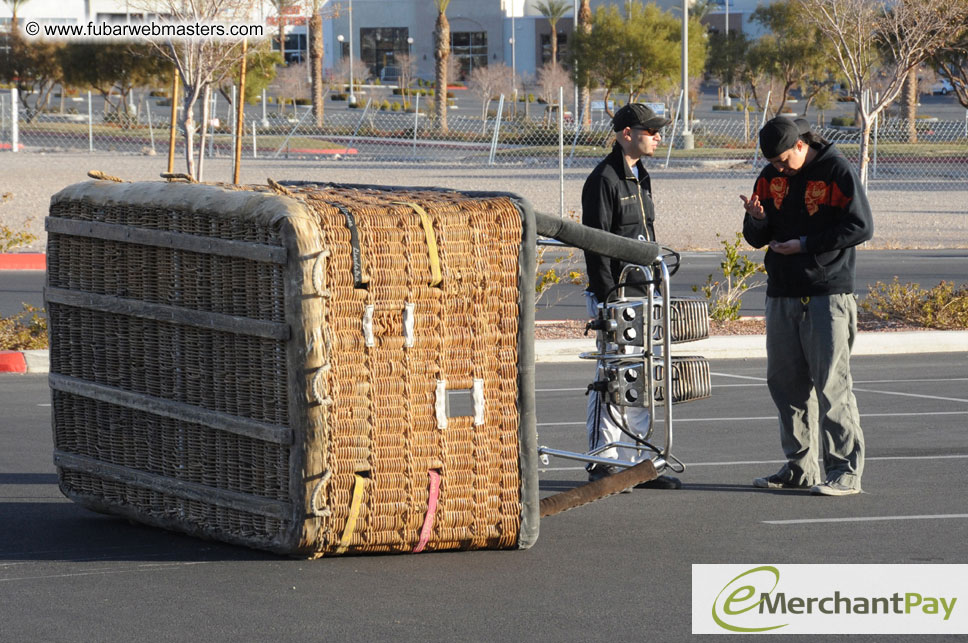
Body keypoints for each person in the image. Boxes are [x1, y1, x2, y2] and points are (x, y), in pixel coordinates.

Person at [741, 116, 873, 497]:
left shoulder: (836, 169)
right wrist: (757, 220)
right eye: (773, 163)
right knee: (786, 385)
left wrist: (804, 243)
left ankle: (845, 470)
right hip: (782, 290)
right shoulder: (769, 176)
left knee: (832, 385)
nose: (777, 168)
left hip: (827, 292)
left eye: (783, 160)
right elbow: (756, 238)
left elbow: (861, 226)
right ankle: (801, 467)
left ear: (801, 144)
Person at [581, 103, 674, 487]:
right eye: (649, 130)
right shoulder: (603, 179)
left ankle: (638, 463)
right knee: (612, 375)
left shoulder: (642, 176)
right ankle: (603, 461)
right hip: (615, 296)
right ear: (626, 134)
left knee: (639, 376)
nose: (657, 136)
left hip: (643, 293)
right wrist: (607, 298)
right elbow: (595, 244)